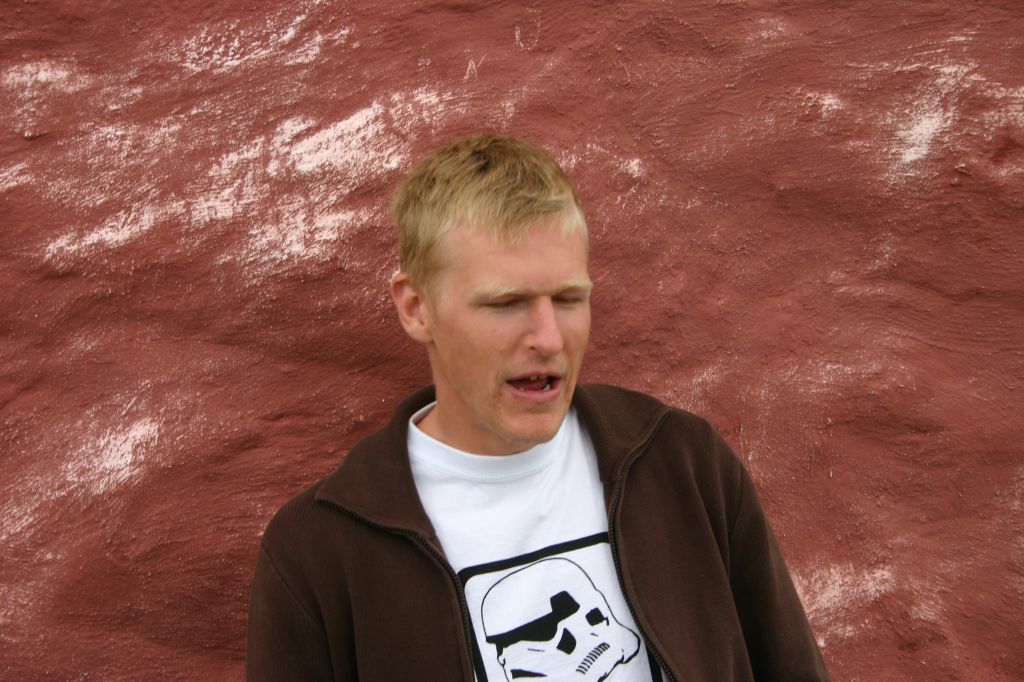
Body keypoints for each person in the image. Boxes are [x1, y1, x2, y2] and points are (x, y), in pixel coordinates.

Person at [246, 134, 830, 681]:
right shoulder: (318, 551)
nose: (549, 339)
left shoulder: (684, 465)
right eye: (506, 303)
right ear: (416, 307)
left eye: (569, 299)